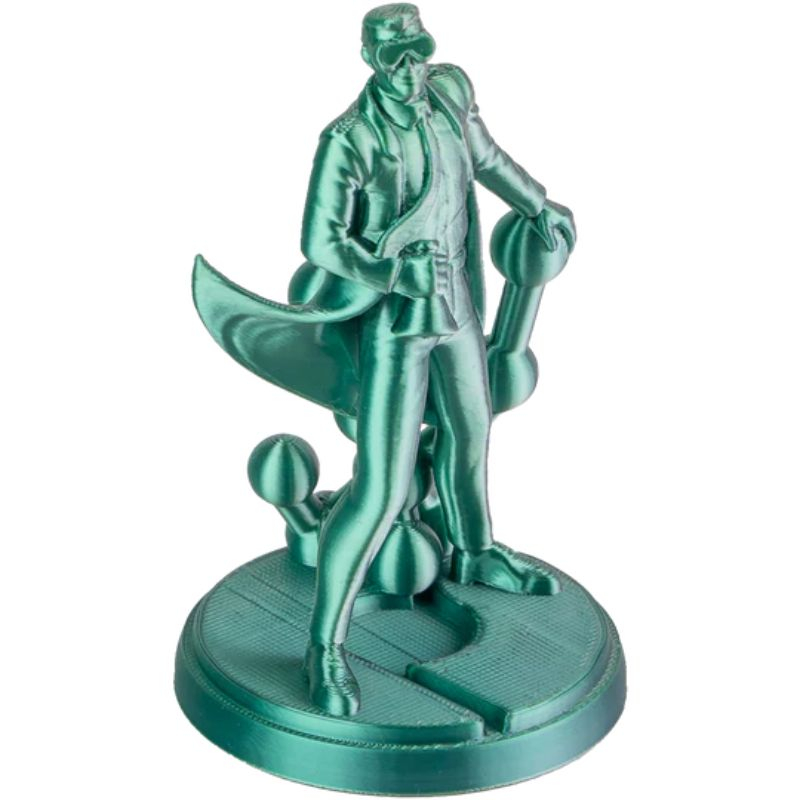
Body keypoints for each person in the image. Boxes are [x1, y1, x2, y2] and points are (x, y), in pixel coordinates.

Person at [300, 3, 577, 716]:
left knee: (472, 430)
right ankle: (325, 647)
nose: (408, 69)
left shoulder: (449, 92)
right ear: (371, 60)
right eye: (393, 59)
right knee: (382, 487)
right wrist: (394, 274)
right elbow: (321, 242)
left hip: (456, 307)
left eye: (415, 53)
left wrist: (539, 203)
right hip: (396, 322)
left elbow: (486, 158)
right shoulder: (350, 139)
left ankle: (475, 551)